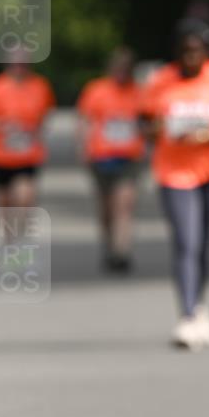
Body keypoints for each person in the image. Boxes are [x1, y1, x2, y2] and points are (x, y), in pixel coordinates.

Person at [142, 18, 209, 350]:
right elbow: (144, 127)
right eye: (185, 50)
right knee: (185, 242)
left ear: (207, 51)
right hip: (174, 173)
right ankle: (188, 315)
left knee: (203, 243)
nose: (191, 56)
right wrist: (161, 128)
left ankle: (199, 303)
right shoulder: (161, 81)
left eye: (197, 50)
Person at [77, 48, 146, 271]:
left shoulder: (139, 92)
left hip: (129, 157)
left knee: (124, 205)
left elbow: (149, 121)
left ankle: (121, 252)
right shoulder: (96, 90)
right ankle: (109, 245)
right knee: (106, 209)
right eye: (118, 68)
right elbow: (84, 120)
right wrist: (83, 148)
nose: (122, 73)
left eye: (126, 68)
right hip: (101, 157)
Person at [0, 48, 56, 225]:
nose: (20, 68)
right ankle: (8, 235)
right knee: (4, 203)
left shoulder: (40, 86)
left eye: (24, 64)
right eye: (16, 64)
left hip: (27, 156)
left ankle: (20, 227)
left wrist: (34, 130)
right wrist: (5, 126)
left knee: (26, 198)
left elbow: (45, 116)